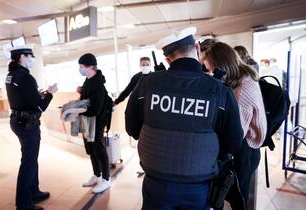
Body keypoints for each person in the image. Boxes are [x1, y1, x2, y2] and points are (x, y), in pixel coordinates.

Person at [125, 27, 244, 210]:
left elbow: (132, 129)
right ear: (197, 48)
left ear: (167, 59)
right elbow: (233, 143)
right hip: (200, 188)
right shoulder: (219, 90)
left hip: (156, 185)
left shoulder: (147, 84)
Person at [203, 42, 267, 210]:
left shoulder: (243, 88)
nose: (210, 72)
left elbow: (236, 132)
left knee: (238, 199)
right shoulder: (238, 80)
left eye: (211, 68)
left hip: (245, 150)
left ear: (221, 65)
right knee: (225, 195)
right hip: (240, 147)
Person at [5, 45, 58, 210]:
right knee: (28, 162)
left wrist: (38, 95)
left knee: (30, 159)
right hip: (28, 124)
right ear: (21, 57)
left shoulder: (11, 75)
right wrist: (50, 93)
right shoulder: (26, 77)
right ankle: (23, 204)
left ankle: (33, 192)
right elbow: (39, 107)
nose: (32, 59)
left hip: (17, 120)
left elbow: (24, 97)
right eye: (30, 56)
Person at [77, 53, 111, 193]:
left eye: (81, 67)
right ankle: (97, 175)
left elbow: (95, 108)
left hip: (96, 121)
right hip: (87, 120)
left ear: (91, 67)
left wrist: (78, 109)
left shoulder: (98, 84)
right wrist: (82, 91)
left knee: (99, 149)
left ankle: (106, 179)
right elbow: (88, 97)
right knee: (91, 150)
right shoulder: (88, 80)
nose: (80, 69)